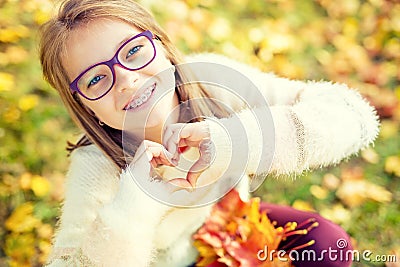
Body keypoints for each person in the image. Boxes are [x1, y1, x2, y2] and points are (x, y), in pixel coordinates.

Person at [39, 0, 379, 266]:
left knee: (325, 244)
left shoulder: (215, 85)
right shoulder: (94, 165)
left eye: (133, 51)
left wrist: (236, 140)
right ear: (83, 105)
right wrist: (134, 203)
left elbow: (354, 117)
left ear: (161, 45)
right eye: (96, 79)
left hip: (237, 230)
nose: (126, 78)